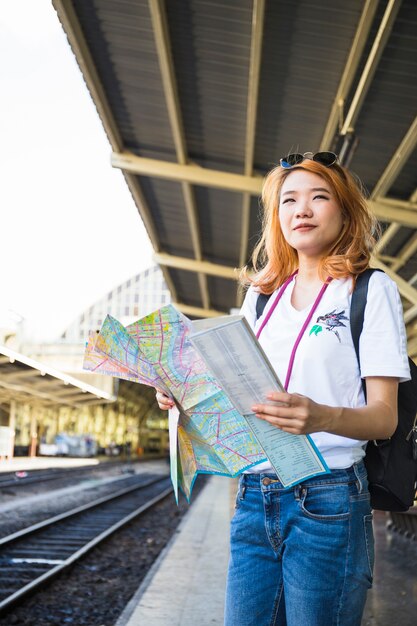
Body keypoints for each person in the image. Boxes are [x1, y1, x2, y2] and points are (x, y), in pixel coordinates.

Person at [156, 151, 410, 626]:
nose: (302, 209)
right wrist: (184, 394)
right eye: (288, 200)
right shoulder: (262, 296)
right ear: (277, 216)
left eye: (319, 197)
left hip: (328, 499)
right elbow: (239, 395)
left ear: (345, 211)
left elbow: (385, 416)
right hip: (254, 494)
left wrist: (323, 417)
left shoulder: (369, 291)